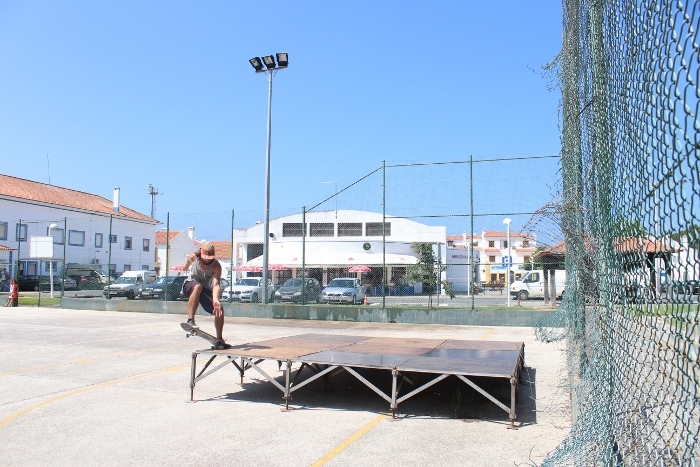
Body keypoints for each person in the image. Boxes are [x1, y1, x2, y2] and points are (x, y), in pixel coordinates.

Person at [182, 243, 226, 346]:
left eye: (209, 258)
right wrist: (188, 262)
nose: (206, 260)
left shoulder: (216, 265)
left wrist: (216, 300)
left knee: (220, 309)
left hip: (204, 289)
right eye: (205, 258)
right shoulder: (195, 257)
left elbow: (216, 284)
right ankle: (190, 320)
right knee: (198, 286)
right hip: (189, 285)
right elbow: (185, 267)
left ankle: (219, 338)